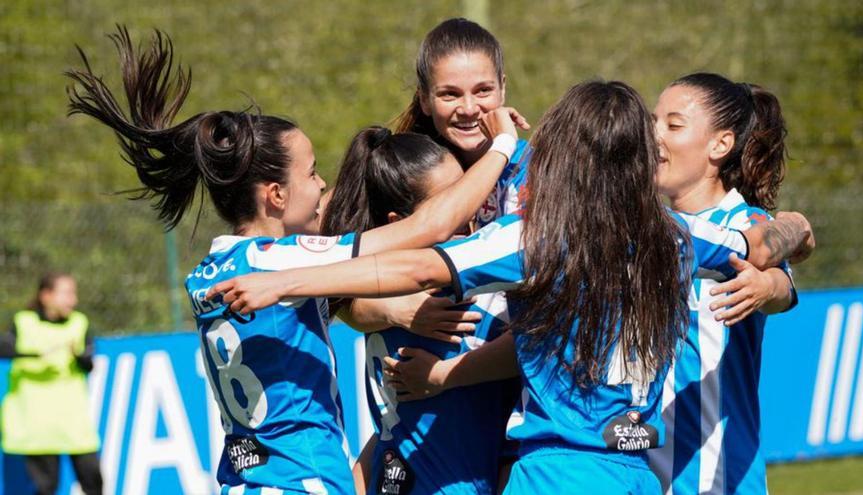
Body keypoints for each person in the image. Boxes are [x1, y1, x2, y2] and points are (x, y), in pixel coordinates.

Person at [207, 80, 814, 494]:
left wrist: (286, 279)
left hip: (554, 473)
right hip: (634, 474)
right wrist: (777, 264)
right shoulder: (676, 237)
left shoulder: (538, 237)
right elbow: (761, 240)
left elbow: (418, 266)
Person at [64, 26, 525, 495]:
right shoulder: (279, 261)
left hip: (247, 480)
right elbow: (424, 231)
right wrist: (503, 146)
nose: (323, 184)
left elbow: (344, 293)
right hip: (302, 480)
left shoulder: (206, 274)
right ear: (277, 195)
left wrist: (387, 308)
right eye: (311, 173)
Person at [342, 18, 531, 492]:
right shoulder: (408, 167)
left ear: (504, 87)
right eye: (450, 94)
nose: (469, 109)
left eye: (483, 90)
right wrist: (393, 306)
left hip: (523, 422)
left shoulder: (536, 174)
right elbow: (343, 291)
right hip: (435, 437)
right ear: (425, 99)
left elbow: (552, 322)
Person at [322, 125, 520, 495]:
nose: (469, 208)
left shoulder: (374, 289)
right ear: (400, 224)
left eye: (466, 191)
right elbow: (531, 348)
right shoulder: (453, 291)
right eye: (450, 203)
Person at [647, 72, 798, 495]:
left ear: (720, 144)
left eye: (673, 125)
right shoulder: (646, 229)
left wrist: (767, 288)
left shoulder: (745, 224)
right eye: (652, 122)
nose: (654, 136)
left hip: (719, 481)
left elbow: (779, 285)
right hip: (639, 477)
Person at [0, 272, 103, 495]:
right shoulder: (23, 322)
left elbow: (89, 363)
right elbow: (3, 348)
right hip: (37, 427)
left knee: (94, 482)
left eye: (73, 294)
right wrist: (34, 355)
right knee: (45, 488)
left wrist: (81, 356)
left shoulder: (79, 323)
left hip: (74, 425)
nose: (72, 300)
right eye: (66, 293)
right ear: (46, 295)